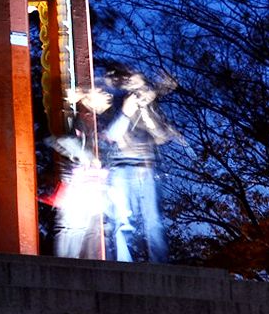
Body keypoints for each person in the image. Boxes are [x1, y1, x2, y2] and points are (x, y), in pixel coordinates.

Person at [105, 69, 176, 262]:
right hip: (121, 167)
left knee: (153, 219)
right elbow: (111, 134)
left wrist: (146, 112)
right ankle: (124, 262)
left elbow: (162, 136)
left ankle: (160, 264)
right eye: (132, 84)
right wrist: (126, 113)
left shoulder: (151, 108)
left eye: (141, 85)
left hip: (146, 167)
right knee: (123, 219)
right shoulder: (116, 103)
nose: (137, 90)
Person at [48, 85, 112, 259]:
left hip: (89, 181)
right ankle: (66, 263)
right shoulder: (78, 117)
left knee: (82, 228)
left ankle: (74, 263)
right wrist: (87, 157)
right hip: (77, 180)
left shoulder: (95, 122)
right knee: (71, 227)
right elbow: (63, 140)